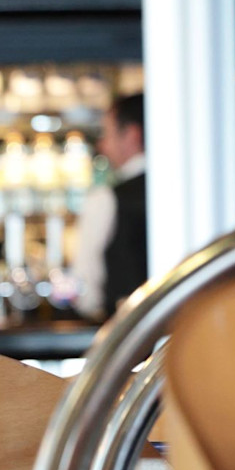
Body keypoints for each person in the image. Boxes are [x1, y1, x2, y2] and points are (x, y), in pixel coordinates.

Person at [74, 93, 147, 320]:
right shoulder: (192, 194)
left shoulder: (106, 199)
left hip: (130, 342)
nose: (102, 145)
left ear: (132, 135)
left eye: (107, 134)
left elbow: (85, 291)